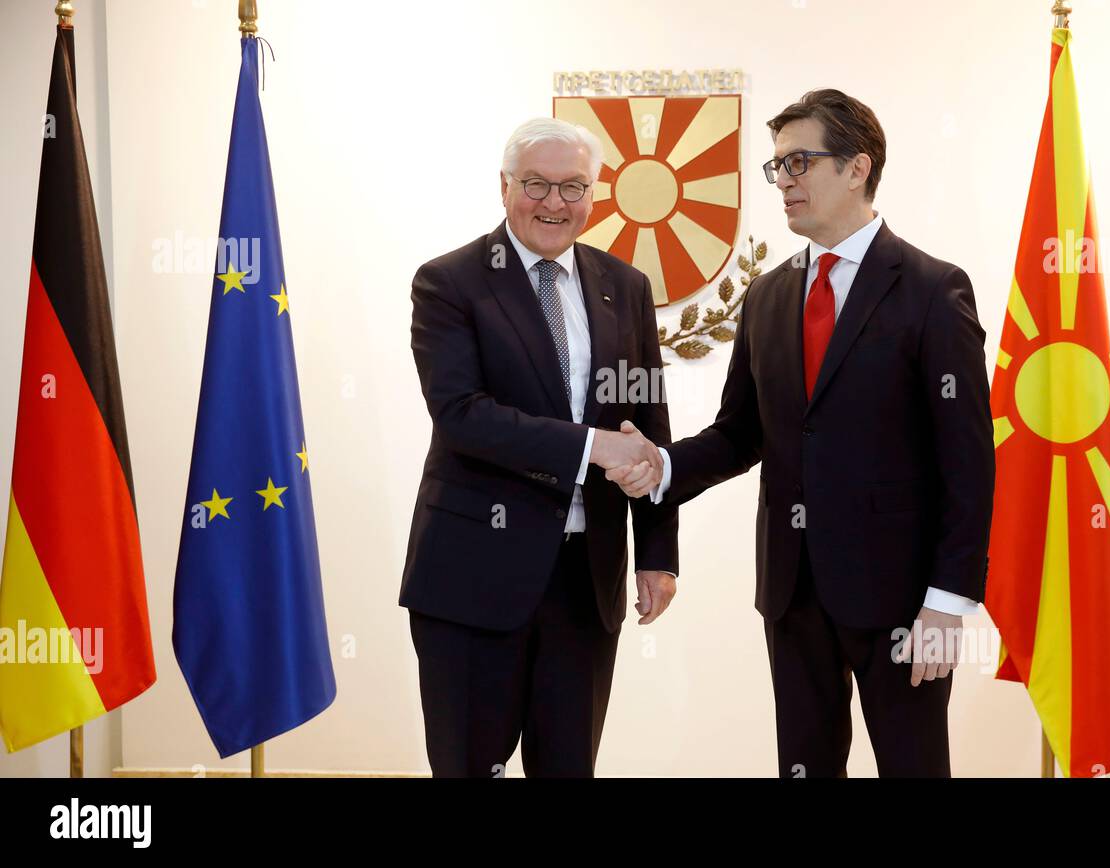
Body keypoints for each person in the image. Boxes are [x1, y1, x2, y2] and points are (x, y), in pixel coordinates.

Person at [610, 89, 994, 777]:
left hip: (905, 602)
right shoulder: (767, 295)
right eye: (777, 167)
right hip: (792, 593)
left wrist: (947, 602)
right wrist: (661, 466)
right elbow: (739, 435)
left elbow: (968, 461)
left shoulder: (934, 291)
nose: (783, 181)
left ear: (856, 168)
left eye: (799, 163)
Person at [401, 117, 678, 777]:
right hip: (473, 577)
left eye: (572, 187)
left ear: (595, 193)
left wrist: (658, 554)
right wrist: (592, 449)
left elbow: (648, 428)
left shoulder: (626, 287)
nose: (554, 204)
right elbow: (462, 414)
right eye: (536, 185)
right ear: (504, 187)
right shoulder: (450, 283)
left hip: (588, 581)